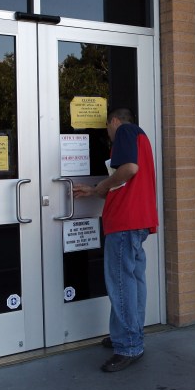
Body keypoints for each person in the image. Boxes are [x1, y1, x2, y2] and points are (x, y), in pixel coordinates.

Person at [73, 108, 158, 372]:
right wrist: (96, 189)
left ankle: (129, 345)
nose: (109, 136)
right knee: (132, 282)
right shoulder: (140, 137)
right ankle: (128, 335)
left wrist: (102, 186)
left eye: (107, 129)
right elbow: (123, 181)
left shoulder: (125, 131)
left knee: (121, 284)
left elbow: (129, 169)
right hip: (139, 220)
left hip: (124, 223)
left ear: (114, 121)